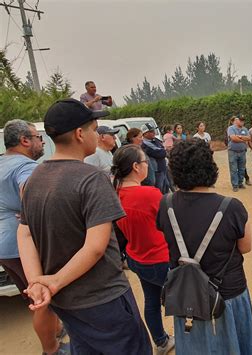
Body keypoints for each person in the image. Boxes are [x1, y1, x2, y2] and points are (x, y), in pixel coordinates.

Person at [18, 98, 152, 354]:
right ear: (80, 134)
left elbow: (24, 233)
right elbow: (95, 248)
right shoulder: (92, 180)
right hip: (103, 297)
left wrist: (37, 282)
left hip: (66, 302)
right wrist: (53, 282)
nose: (97, 134)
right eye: (94, 128)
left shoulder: (35, 178)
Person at [156, 140, 252, 354]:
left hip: (187, 295)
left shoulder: (166, 204)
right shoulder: (231, 207)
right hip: (226, 294)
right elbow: (245, 247)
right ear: (210, 166)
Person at [0, 119, 68, 355]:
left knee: (33, 299)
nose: (41, 141)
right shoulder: (24, 167)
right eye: (37, 137)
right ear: (24, 141)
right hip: (22, 245)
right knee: (43, 302)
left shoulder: (2, 162)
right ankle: (52, 350)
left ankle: (56, 332)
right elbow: (33, 197)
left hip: (5, 247)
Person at [112, 145, 175, 354]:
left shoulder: (115, 193)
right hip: (159, 257)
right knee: (183, 301)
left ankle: (161, 341)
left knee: (152, 301)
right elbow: (171, 224)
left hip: (136, 257)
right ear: (136, 167)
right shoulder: (149, 194)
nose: (147, 165)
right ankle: (191, 342)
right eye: (145, 161)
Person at [141, 123, 169, 193]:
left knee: (166, 186)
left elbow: (162, 149)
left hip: (162, 167)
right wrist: (163, 151)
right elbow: (160, 153)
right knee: (159, 189)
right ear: (145, 133)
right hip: (156, 170)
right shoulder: (145, 144)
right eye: (151, 131)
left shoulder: (155, 140)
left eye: (153, 130)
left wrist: (163, 151)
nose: (154, 132)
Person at [227, 115, 251, 192]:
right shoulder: (231, 128)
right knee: (233, 169)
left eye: (243, 120)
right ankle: (235, 185)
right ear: (236, 120)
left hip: (242, 152)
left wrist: (239, 136)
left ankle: (240, 183)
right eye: (240, 120)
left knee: (242, 169)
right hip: (233, 152)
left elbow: (249, 138)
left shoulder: (245, 129)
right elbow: (233, 138)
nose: (242, 122)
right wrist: (243, 140)